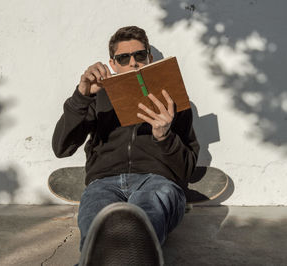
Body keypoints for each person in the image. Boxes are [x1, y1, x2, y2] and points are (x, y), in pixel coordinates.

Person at [52, 26, 199, 265]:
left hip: (157, 180)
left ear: (149, 58)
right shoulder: (96, 97)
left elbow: (187, 168)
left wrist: (165, 136)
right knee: (98, 230)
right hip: (104, 181)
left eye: (140, 56)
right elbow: (61, 147)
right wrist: (81, 95)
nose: (133, 63)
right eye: (123, 58)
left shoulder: (173, 100)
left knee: (144, 216)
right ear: (113, 63)